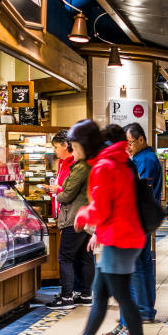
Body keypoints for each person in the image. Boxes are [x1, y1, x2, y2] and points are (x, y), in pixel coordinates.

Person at [55, 121, 151, 335]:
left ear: (85, 145)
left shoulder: (104, 166)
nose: (73, 153)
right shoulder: (116, 160)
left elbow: (102, 207)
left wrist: (83, 216)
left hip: (119, 240)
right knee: (100, 295)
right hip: (119, 237)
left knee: (123, 299)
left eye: (75, 148)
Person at [100, 123, 164, 335]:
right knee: (142, 267)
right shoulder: (144, 158)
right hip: (140, 223)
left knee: (134, 273)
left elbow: (135, 191)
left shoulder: (144, 160)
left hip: (136, 223)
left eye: (130, 143)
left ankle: (131, 323)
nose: (128, 147)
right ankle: (141, 314)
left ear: (141, 140)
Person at [46, 131, 93, 310]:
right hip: (87, 218)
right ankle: (86, 294)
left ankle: (66, 297)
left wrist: (58, 192)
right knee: (85, 256)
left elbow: (66, 195)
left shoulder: (80, 168)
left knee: (65, 257)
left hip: (74, 218)